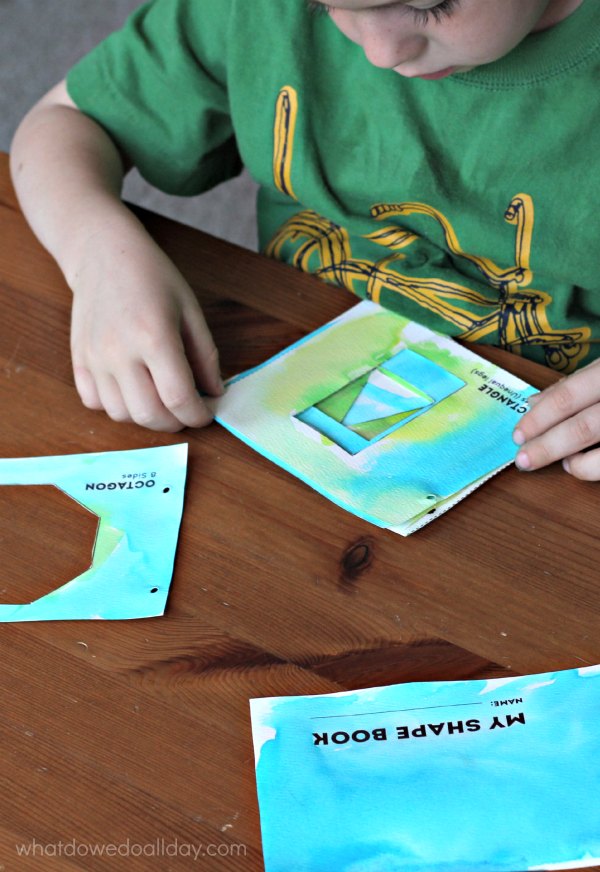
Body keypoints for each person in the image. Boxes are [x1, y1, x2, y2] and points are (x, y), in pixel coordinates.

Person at [10, 0, 600, 479]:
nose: (380, 51)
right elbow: (63, 123)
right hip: (276, 382)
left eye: (430, 6)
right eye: (327, 7)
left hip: (550, 458)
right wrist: (98, 256)